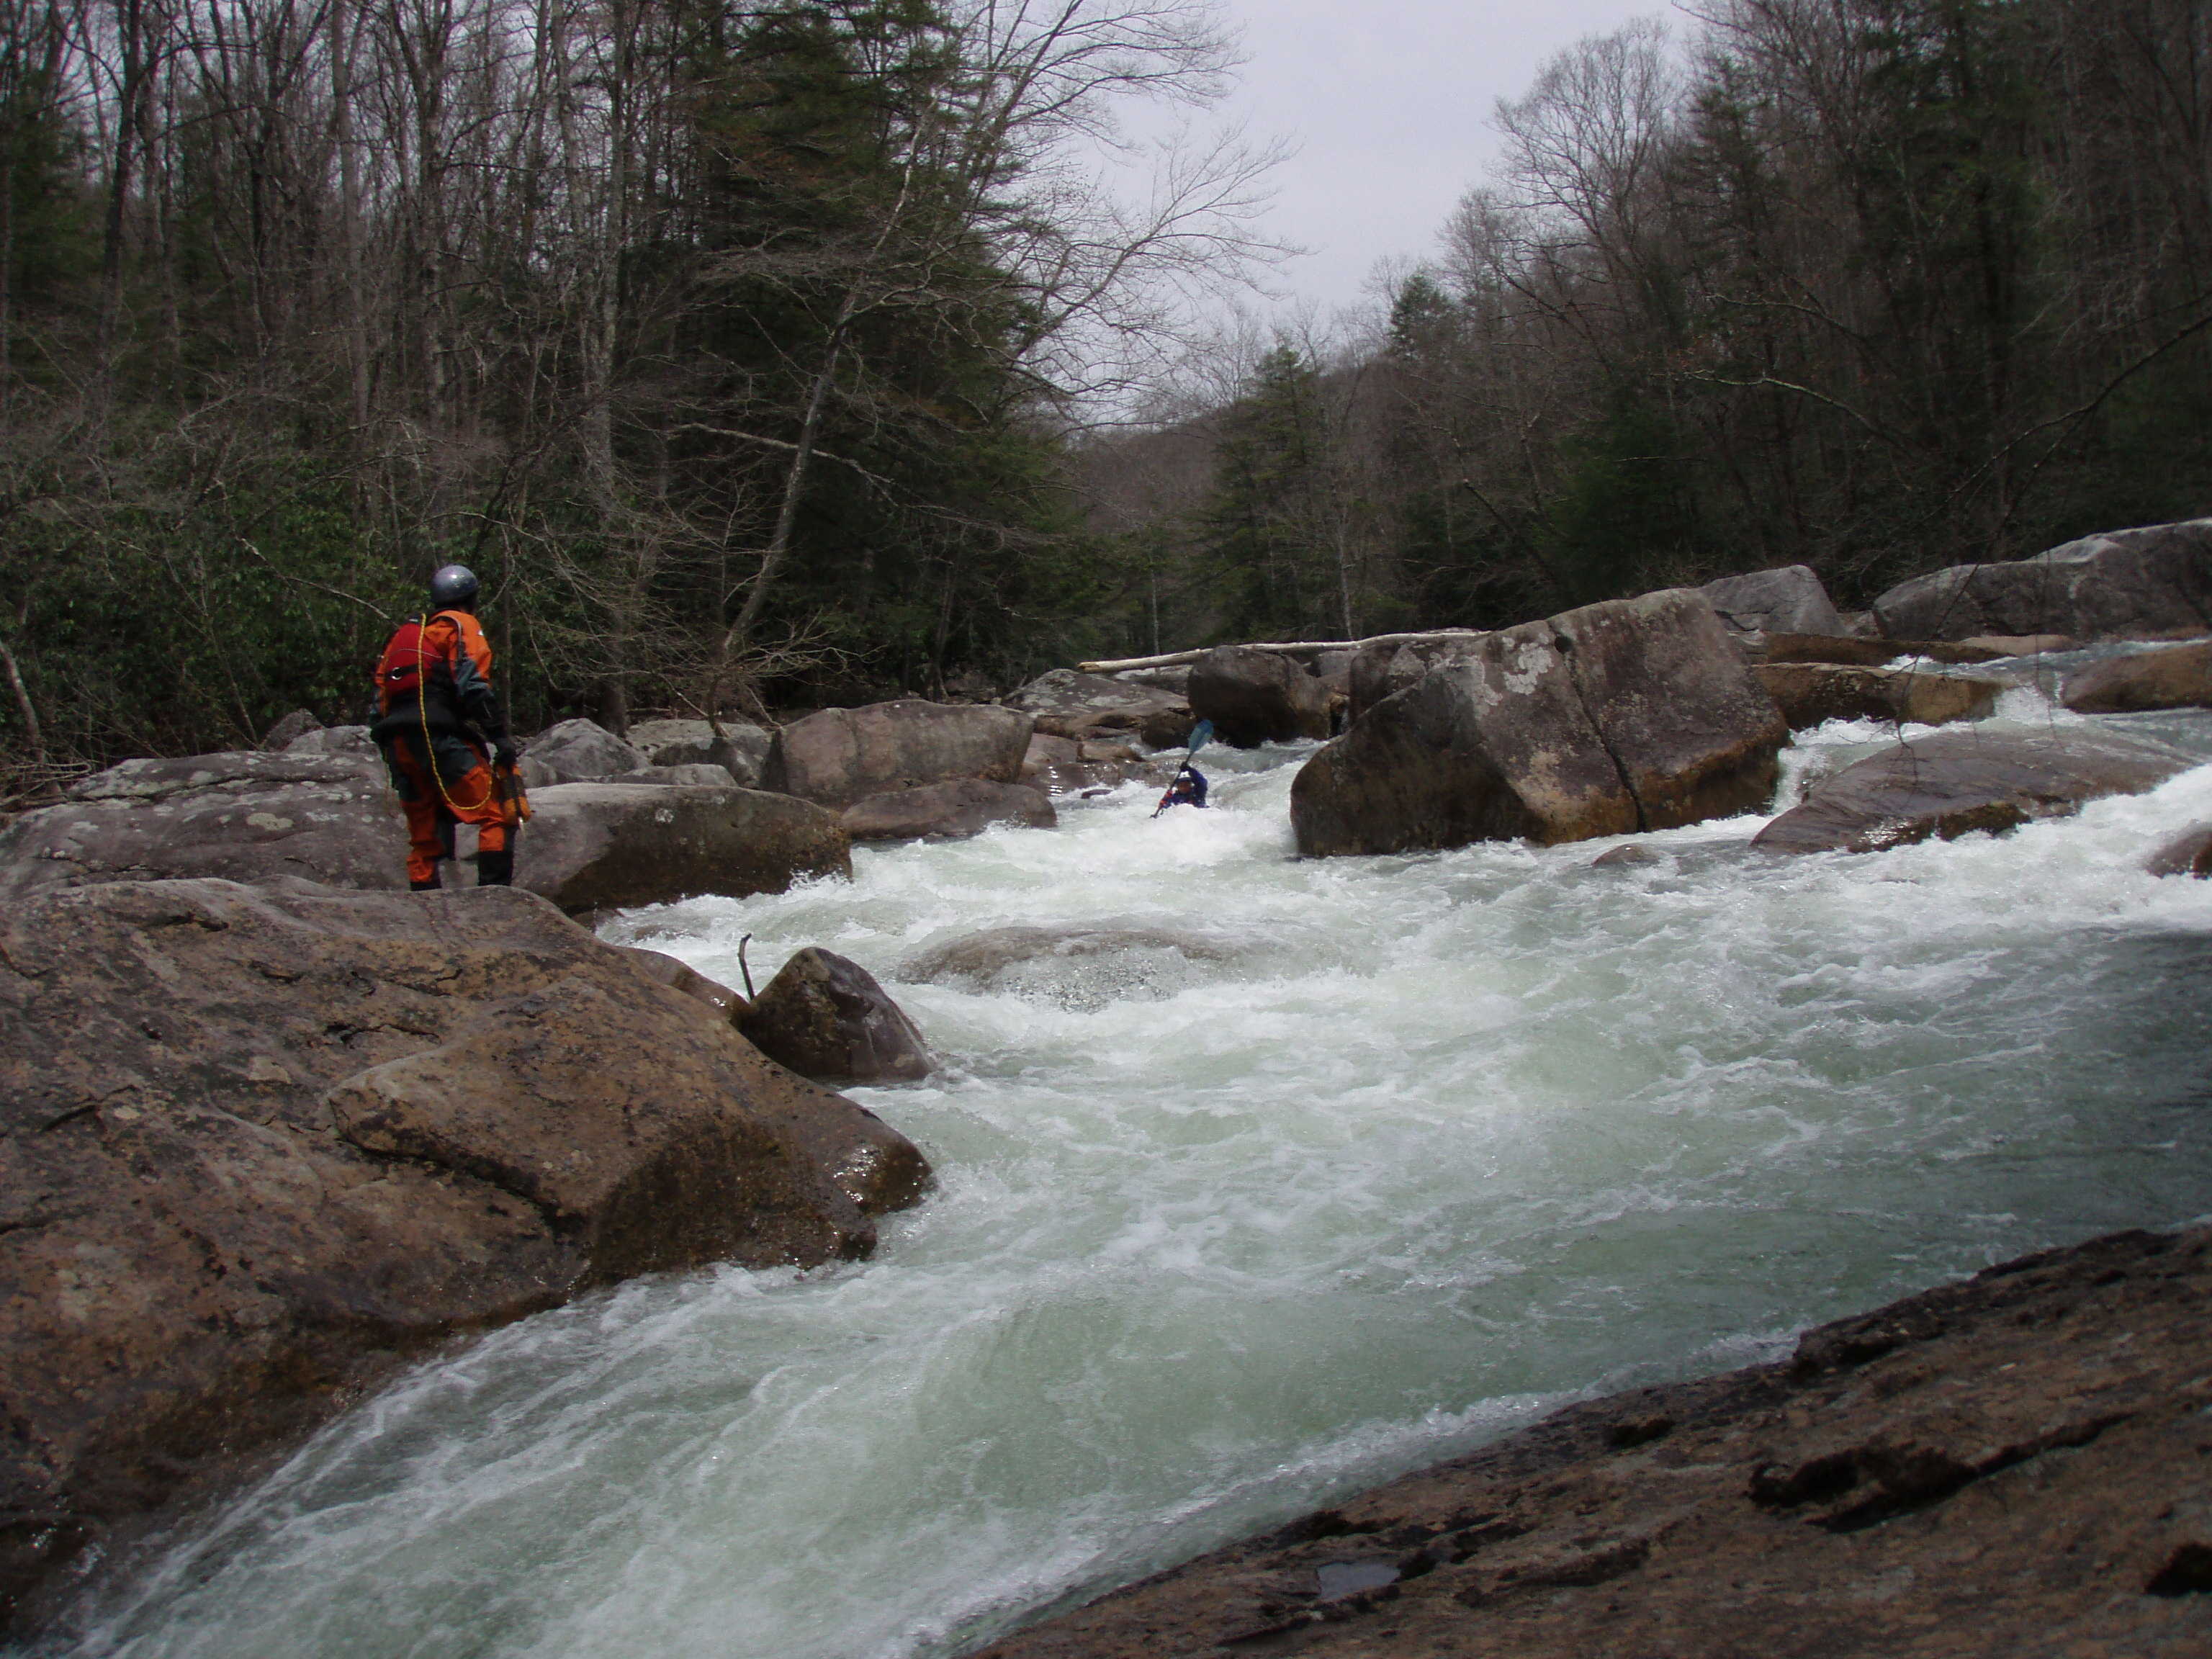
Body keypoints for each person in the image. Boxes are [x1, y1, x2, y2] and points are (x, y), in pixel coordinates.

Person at [370, 564, 522, 890]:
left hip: (398, 744)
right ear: (471, 598)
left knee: (424, 838)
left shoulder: (403, 637)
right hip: (439, 736)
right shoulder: (460, 624)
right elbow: (474, 685)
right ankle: (496, 901)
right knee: (497, 812)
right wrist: (499, 737)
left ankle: (426, 912)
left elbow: (378, 702)